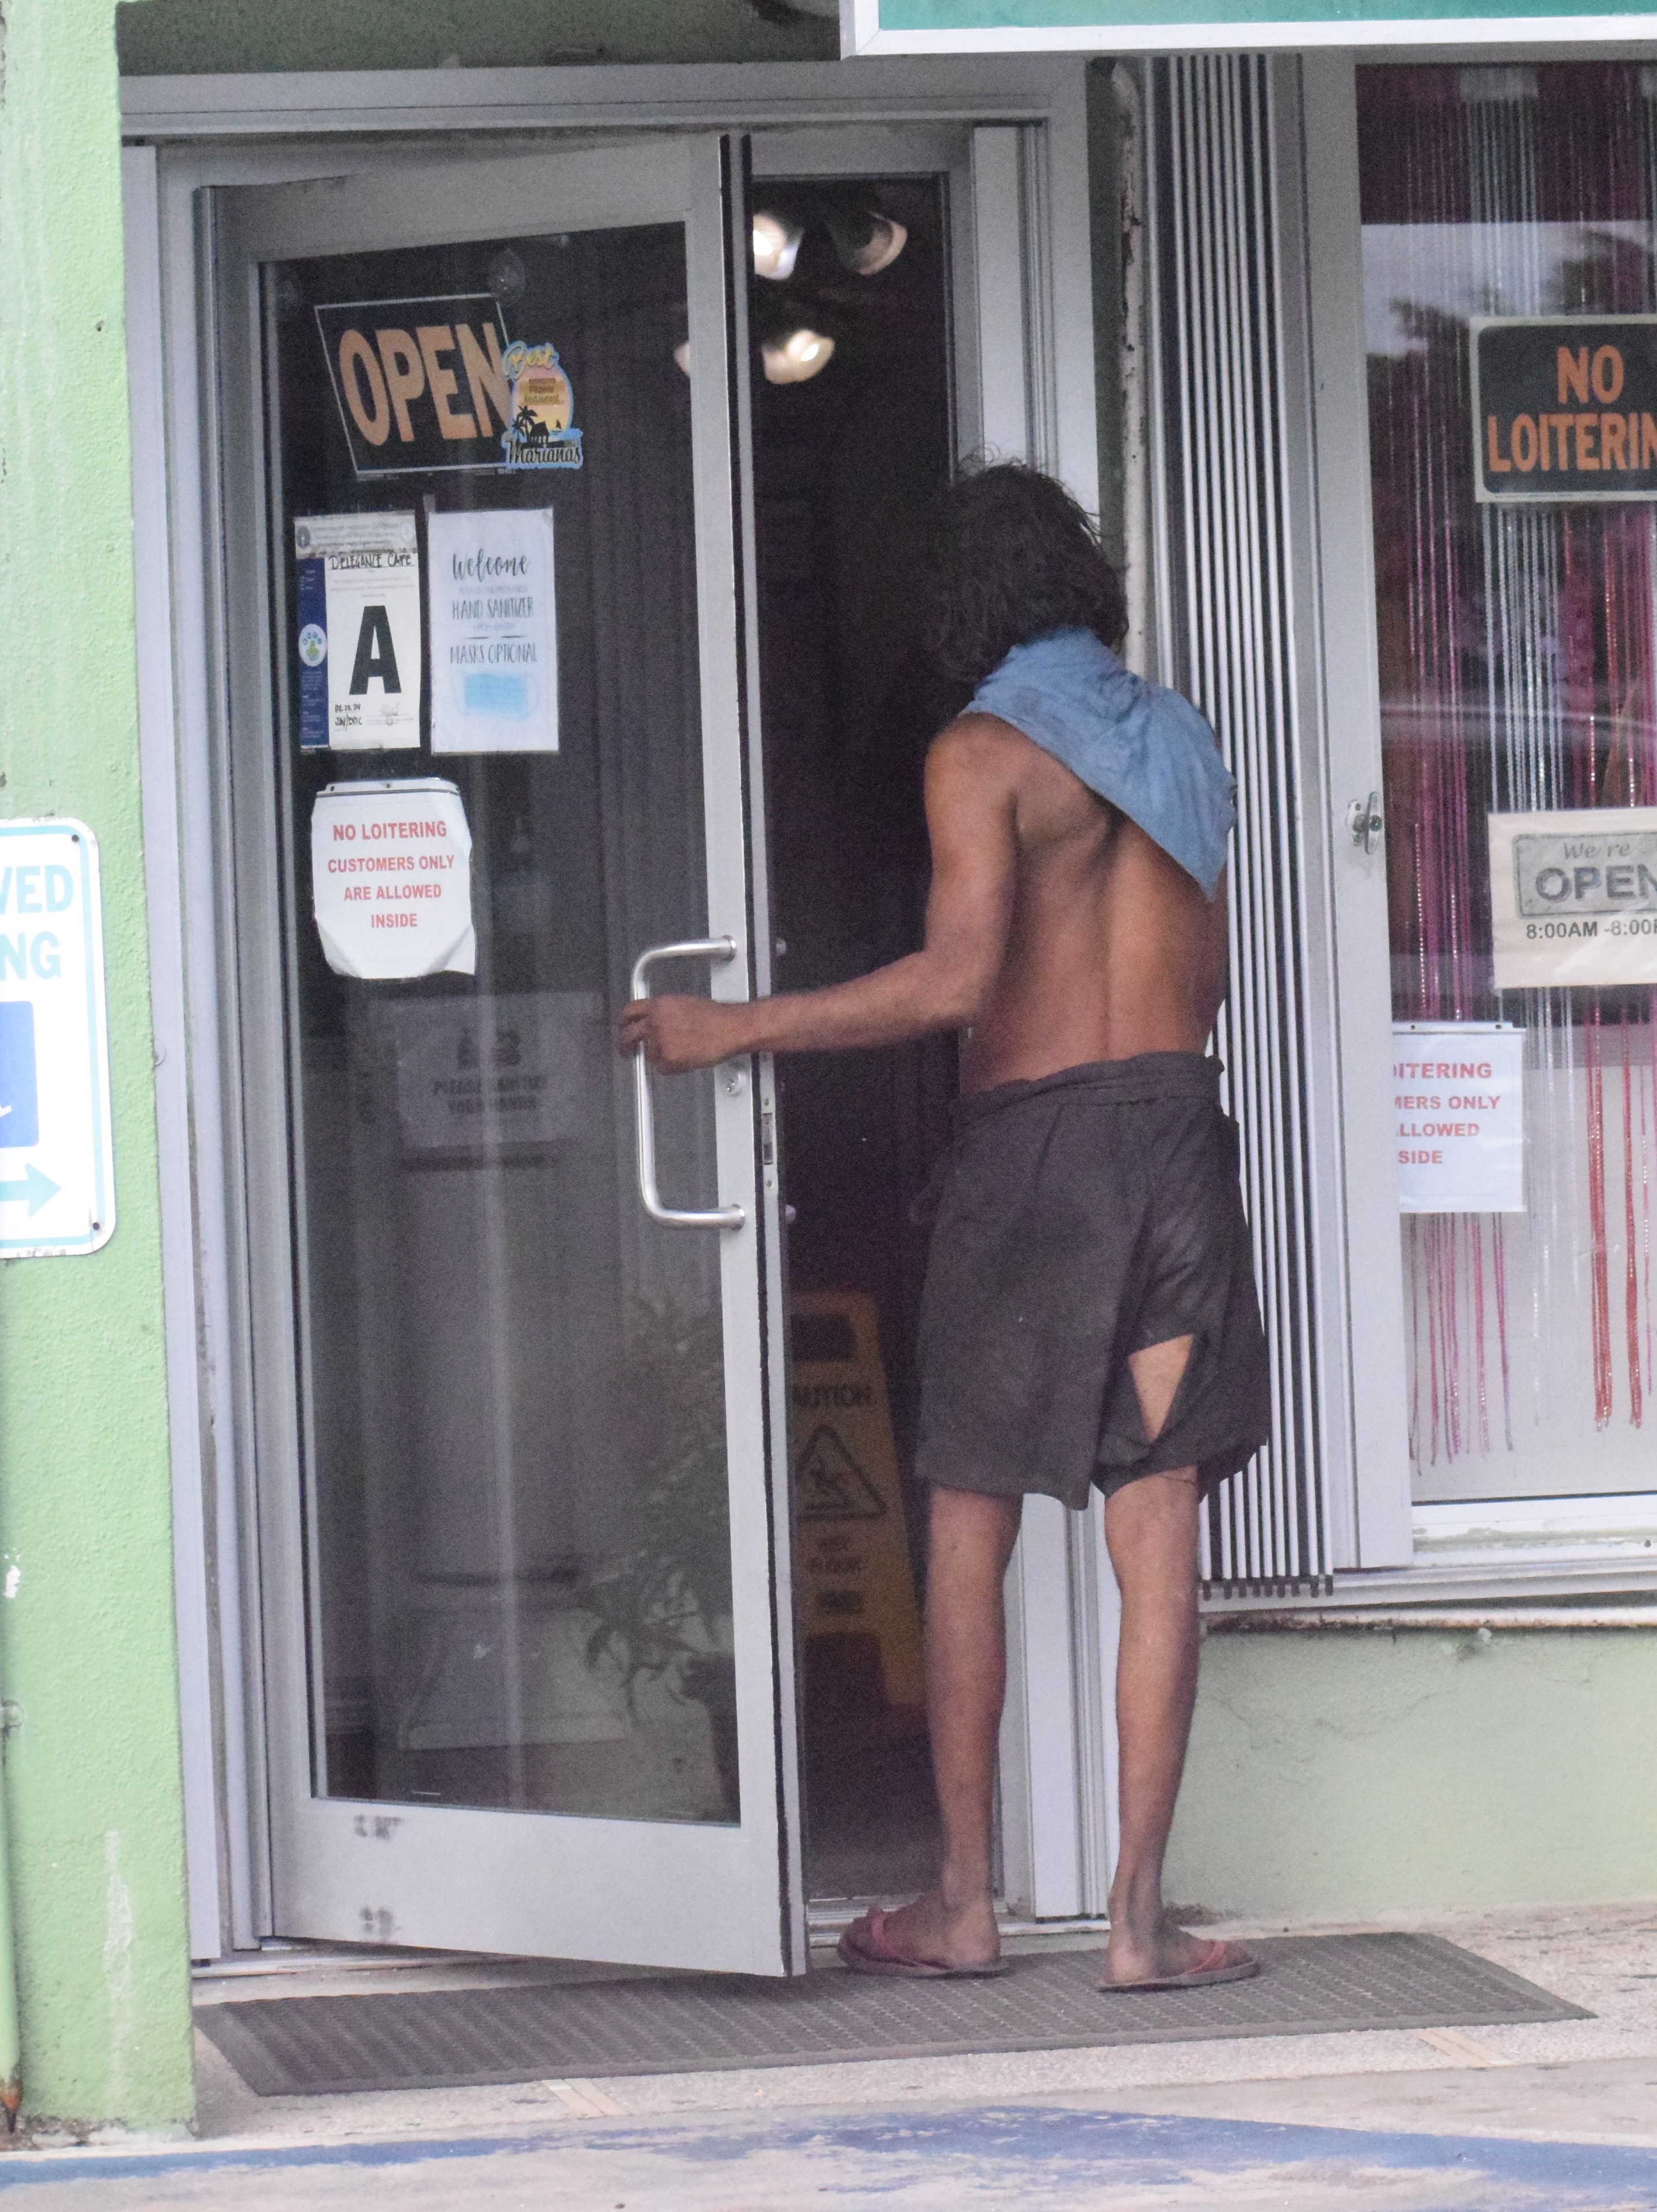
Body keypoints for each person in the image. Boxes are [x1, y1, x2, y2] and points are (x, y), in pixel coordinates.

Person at [619, 462, 1269, 1993]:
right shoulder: (1181, 743)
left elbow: (955, 980)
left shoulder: (980, 752)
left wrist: (735, 1027)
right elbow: (1212, 980)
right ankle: (1134, 1924)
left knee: (965, 1529)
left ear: (962, 604)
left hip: (1035, 1163)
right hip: (1173, 1146)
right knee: (1157, 1537)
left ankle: (965, 1902)